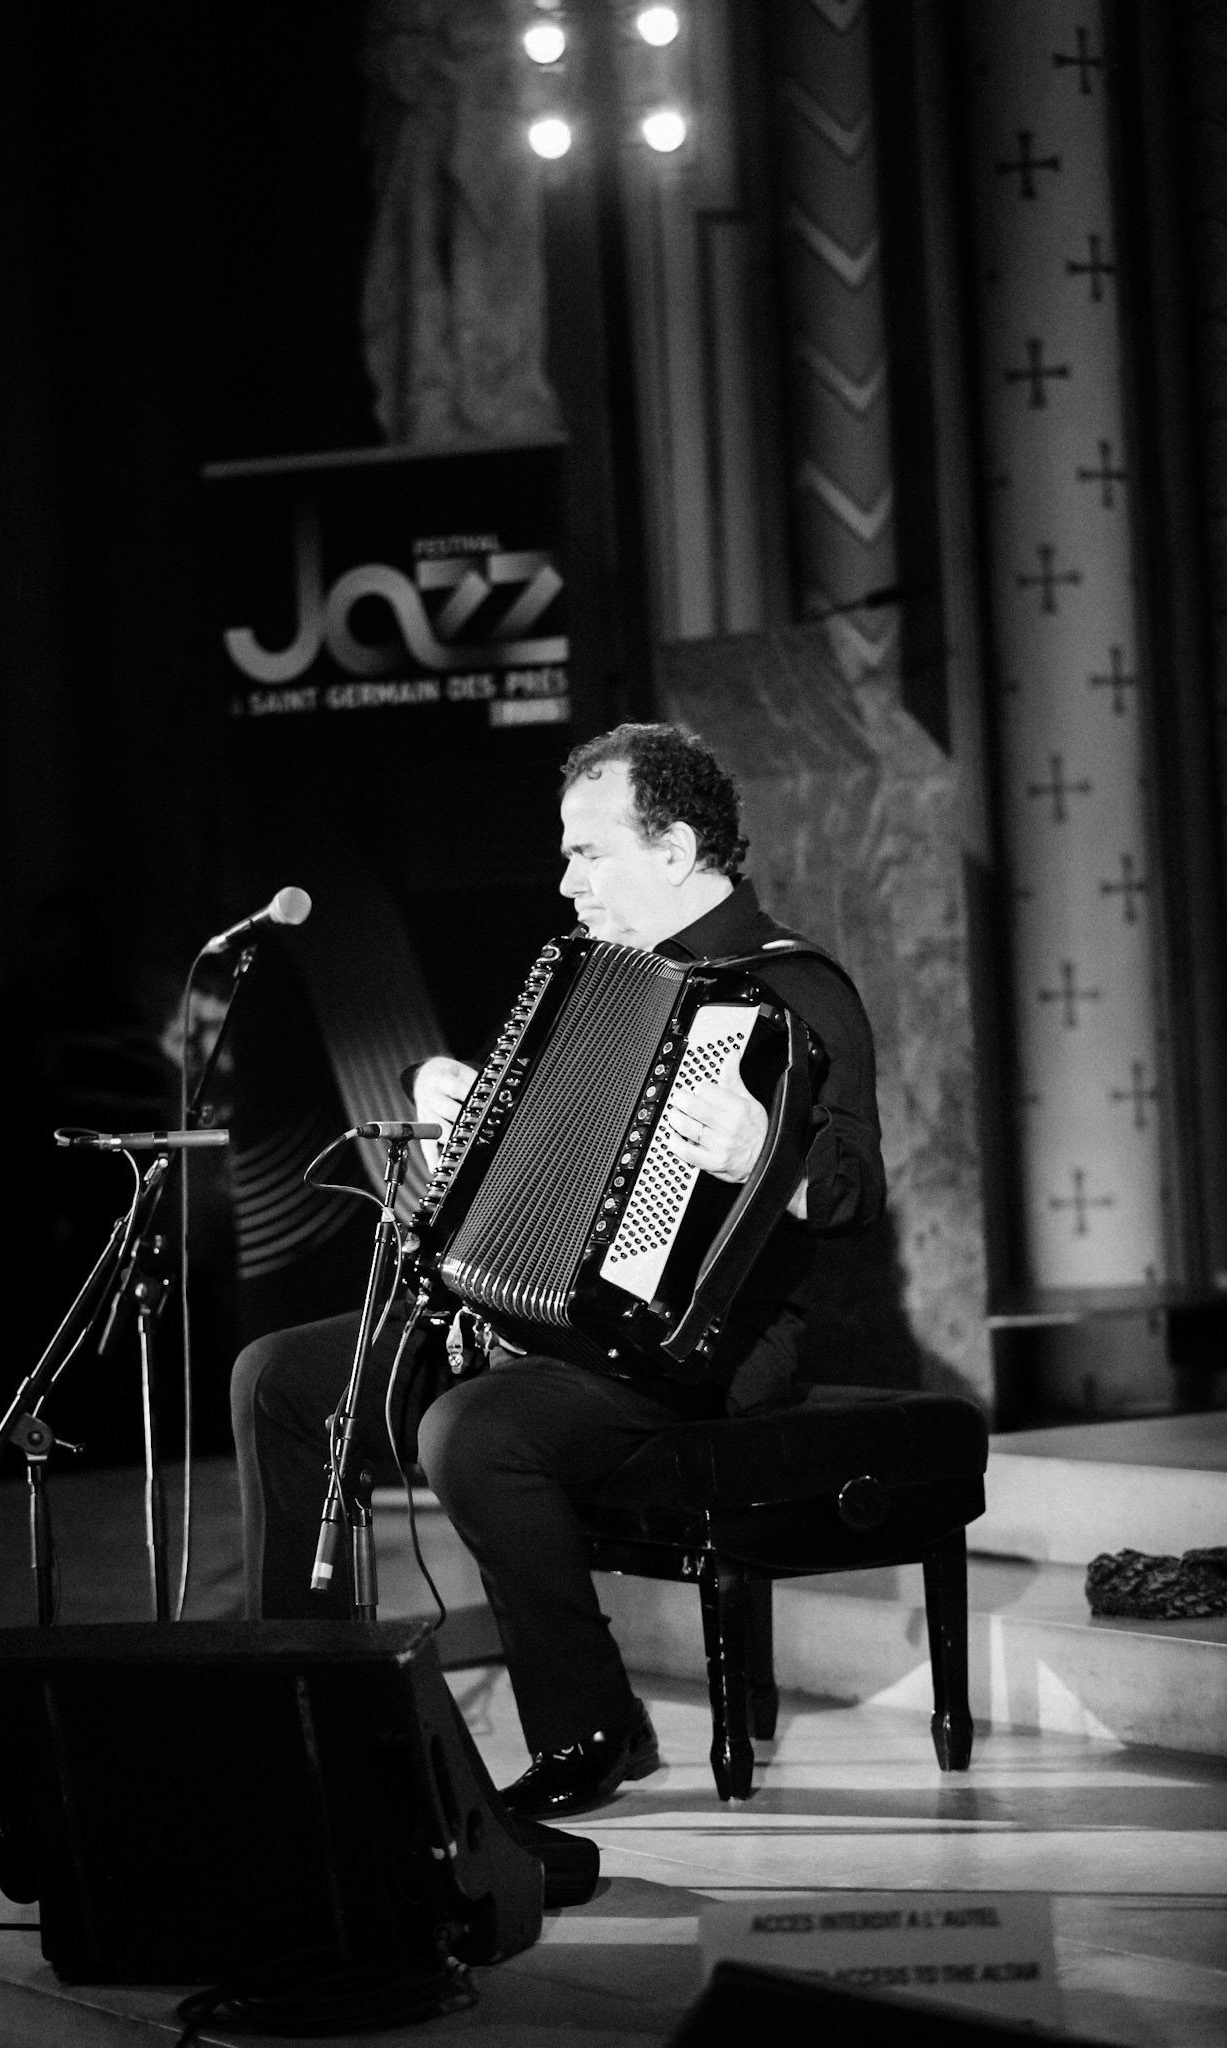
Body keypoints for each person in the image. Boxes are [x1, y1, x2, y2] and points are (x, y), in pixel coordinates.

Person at [231, 722, 885, 1818]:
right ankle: (312, 1701)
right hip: (527, 1332)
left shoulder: (791, 991)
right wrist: (456, 1109)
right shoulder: (586, 981)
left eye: (590, 851)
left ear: (673, 851)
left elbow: (857, 1188)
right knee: (280, 1378)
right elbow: (508, 1187)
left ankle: (592, 1728)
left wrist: (765, 1158)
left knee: (472, 1428)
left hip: (690, 1350)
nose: (567, 876)